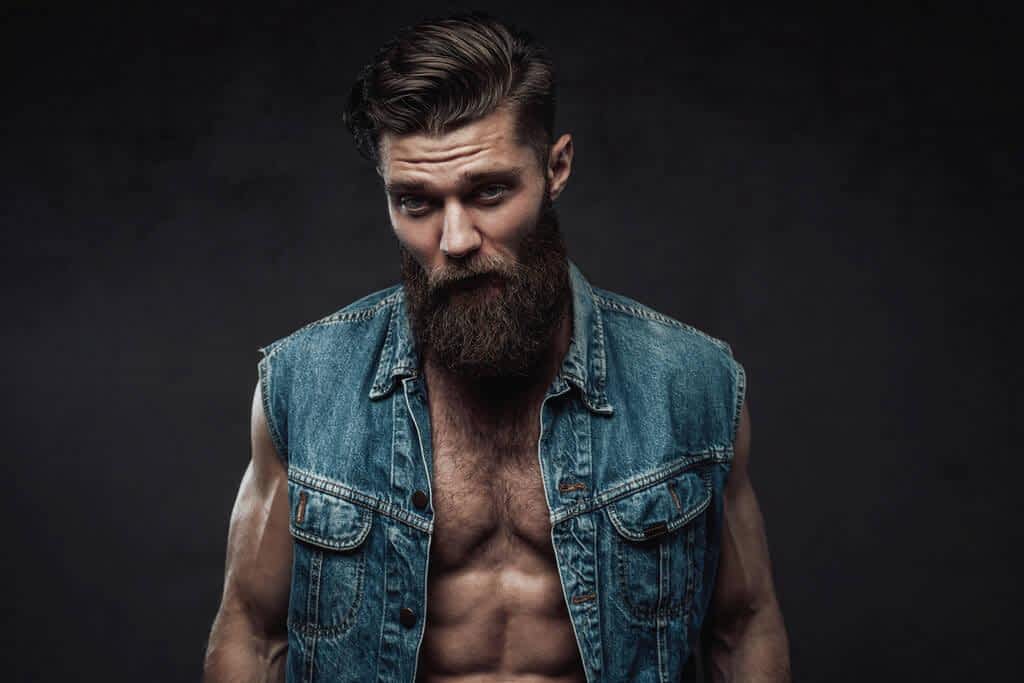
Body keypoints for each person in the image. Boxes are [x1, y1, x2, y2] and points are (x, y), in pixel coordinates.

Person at [203, 12, 790, 683]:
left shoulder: (692, 384)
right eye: (416, 203)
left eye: (488, 192)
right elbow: (251, 631)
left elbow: (743, 628)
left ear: (555, 167)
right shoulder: (303, 386)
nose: (455, 239)